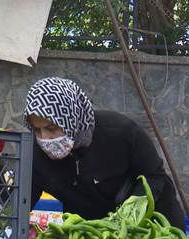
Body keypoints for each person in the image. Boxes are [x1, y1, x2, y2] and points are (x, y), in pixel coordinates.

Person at [24, 77, 186, 230]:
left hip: (153, 220)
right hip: (96, 232)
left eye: (51, 128)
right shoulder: (35, 155)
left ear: (71, 117)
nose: (45, 138)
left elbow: (154, 175)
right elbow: (21, 201)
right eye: (37, 130)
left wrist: (131, 214)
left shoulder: (121, 132)